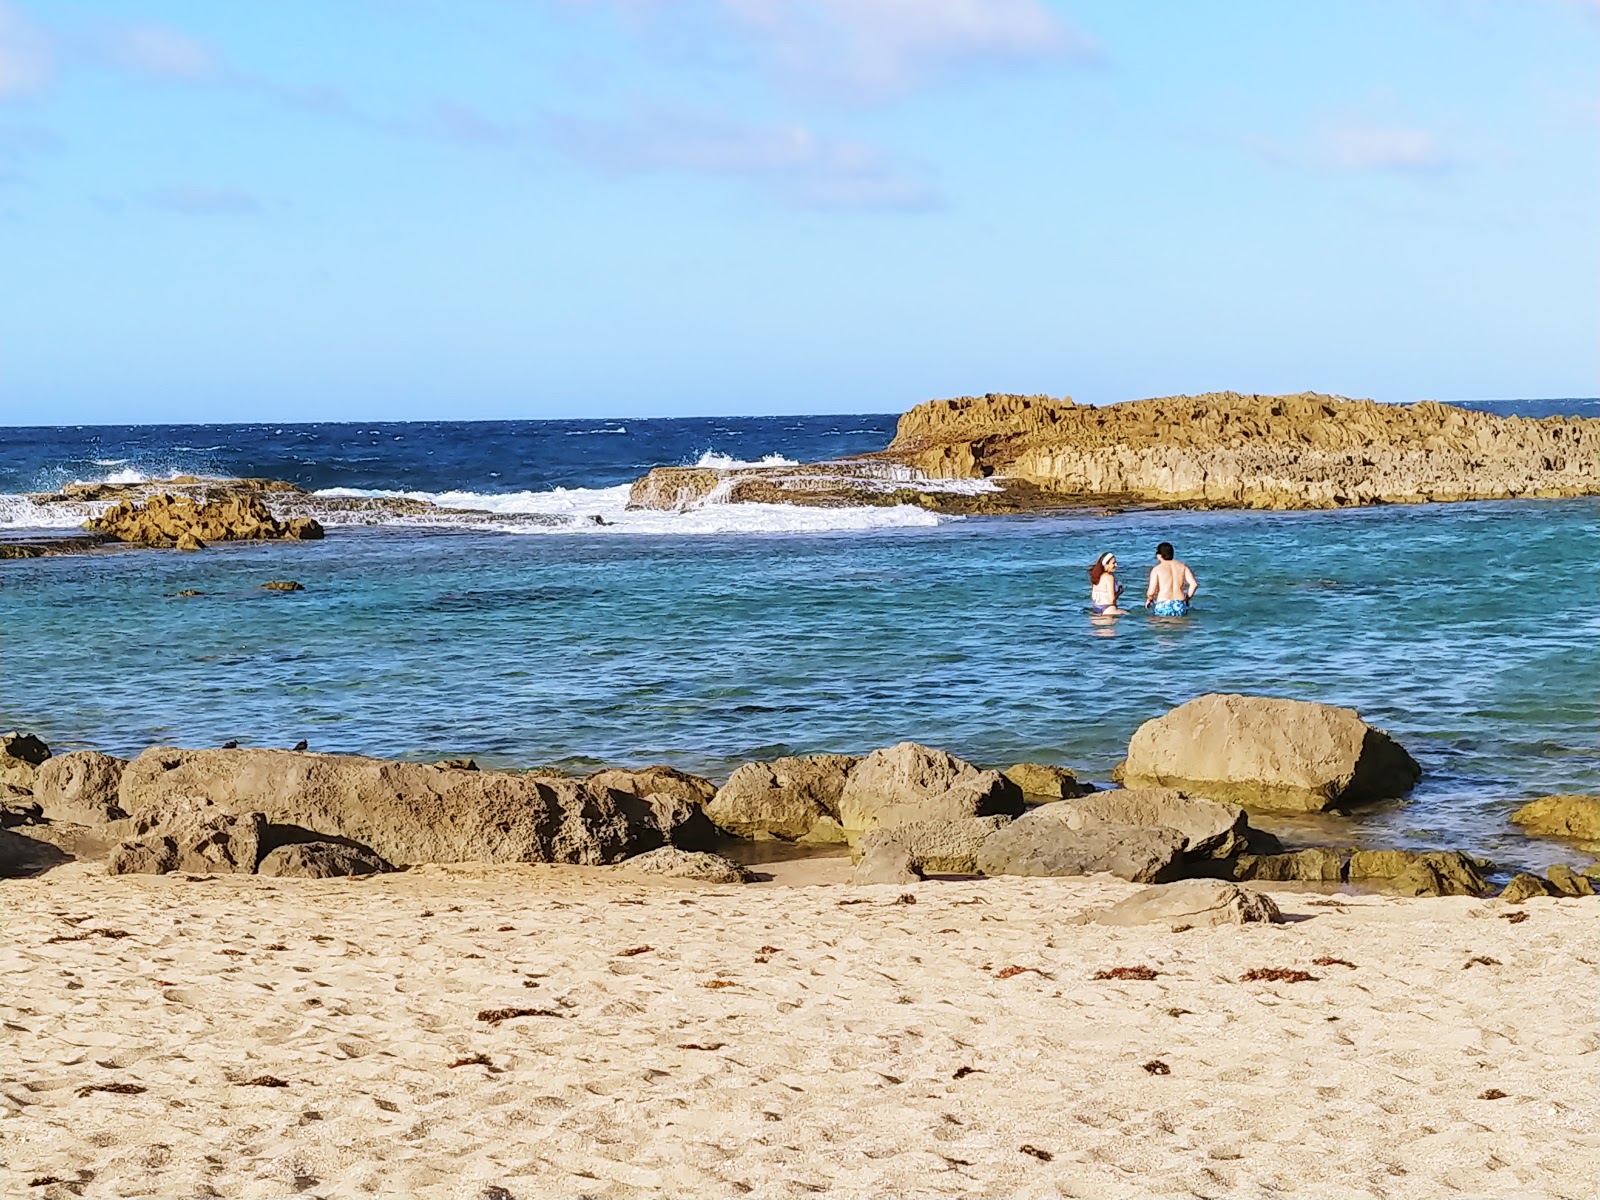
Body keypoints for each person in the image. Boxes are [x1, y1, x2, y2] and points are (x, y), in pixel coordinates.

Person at [1145, 541, 1197, 616]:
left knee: (1161, 625)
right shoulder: (1182, 566)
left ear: (1159, 555)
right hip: (1179, 604)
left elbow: (1151, 592)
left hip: (1163, 603)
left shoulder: (1157, 569)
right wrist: (1187, 598)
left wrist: (1149, 599)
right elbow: (1194, 584)